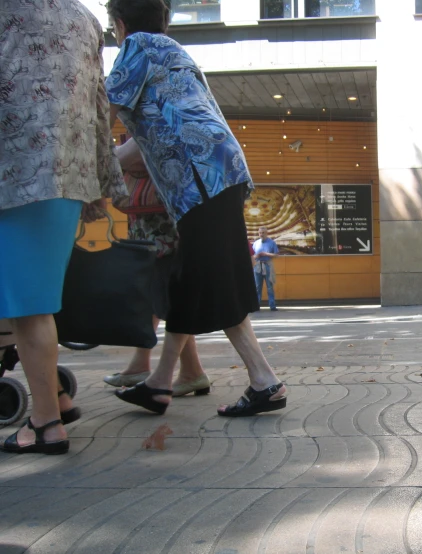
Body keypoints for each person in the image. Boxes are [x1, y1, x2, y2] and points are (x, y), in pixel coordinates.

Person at [105, 0, 286, 417]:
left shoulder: (135, 47)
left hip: (200, 178)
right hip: (219, 171)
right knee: (198, 278)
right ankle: (163, 383)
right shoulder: (172, 52)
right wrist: (110, 162)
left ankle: (261, 381)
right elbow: (138, 145)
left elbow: (102, 114)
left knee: (208, 279)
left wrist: (84, 172)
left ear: (119, 24)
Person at [0, 0, 121, 454]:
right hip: (67, 175)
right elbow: (97, 102)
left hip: (13, 173)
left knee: (27, 306)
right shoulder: (84, 18)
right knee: (33, 301)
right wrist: (101, 181)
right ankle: (58, 399)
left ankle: (47, 424)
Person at [102, 140, 210, 396]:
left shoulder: (150, 114)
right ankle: (189, 371)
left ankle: (171, 372)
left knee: (167, 295)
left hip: (163, 222)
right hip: (158, 220)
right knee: (165, 295)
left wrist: (109, 158)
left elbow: (138, 150)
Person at [253, 226, 280, 311]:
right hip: (258, 266)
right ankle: (256, 306)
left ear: (266, 233)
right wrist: (257, 255)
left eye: (263, 233)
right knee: (257, 287)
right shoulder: (256, 243)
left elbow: (276, 255)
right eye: (260, 233)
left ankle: (272, 305)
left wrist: (266, 254)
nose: (261, 234)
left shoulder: (271, 242)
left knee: (269, 286)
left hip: (268, 265)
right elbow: (252, 256)